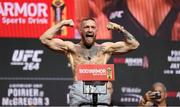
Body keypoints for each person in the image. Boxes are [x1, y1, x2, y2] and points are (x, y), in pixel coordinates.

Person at [39, 17, 139, 106]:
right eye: (86, 27)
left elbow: (134, 45)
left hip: (100, 89)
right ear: (80, 30)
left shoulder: (105, 49)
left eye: (93, 27)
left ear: (96, 30)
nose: (90, 30)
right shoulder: (71, 48)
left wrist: (119, 28)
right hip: (79, 89)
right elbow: (44, 39)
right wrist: (62, 23)